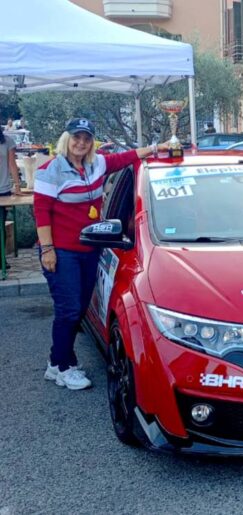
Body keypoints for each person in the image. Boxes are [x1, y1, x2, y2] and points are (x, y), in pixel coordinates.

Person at [34, 118, 169, 390]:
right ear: (66, 138)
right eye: (76, 137)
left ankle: (56, 362)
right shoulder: (51, 170)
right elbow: (41, 212)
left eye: (86, 138)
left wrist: (159, 147)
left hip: (89, 248)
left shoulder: (97, 164)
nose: (81, 142)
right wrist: (47, 249)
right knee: (69, 310)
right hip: (61, 251)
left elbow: (127, 157)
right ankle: (63, 367)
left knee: (79, 309)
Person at [0, 125, 22, 238]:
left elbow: (12, 164)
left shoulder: (8, 141)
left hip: (3, 189)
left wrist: (17, 186)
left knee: (0, 225)